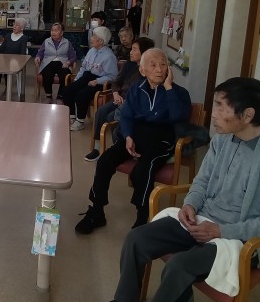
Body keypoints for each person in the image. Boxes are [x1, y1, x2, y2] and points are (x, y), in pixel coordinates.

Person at [87, 77, 260, 302]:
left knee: (179, 266)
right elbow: (202, 180)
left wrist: (221, 231)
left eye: (222, 107)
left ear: (248, 115)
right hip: (202, 221)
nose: (214, 114)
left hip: (239, 239)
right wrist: (190, 204)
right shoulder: (223, 138)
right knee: (137, 238)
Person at [76, 48, 191, 233]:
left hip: (162, 139)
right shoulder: (137, 88)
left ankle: (142, 217)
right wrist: (128, 136)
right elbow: (127, 116)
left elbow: (179, 118)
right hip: (136, 135)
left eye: (163, 64)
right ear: (142, 70)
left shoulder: (179, 93)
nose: (159, 69)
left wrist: (169, 88)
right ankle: (97, 210)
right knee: (105, 160)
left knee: (143, 170)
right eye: (153, 65)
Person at [84, 37, 155, 161]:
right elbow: (116, 82)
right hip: (119, 97)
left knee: (112, 116)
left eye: (134, 49)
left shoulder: (150, 71)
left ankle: (119, 148)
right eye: (131, 49)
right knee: (101, 112)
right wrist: (116, 94)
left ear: (144, 52)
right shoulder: (129, 64)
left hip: (133, 103)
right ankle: (97, 148)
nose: (131, 52)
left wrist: (126, 101)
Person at [63, 26, 118, 132]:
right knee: (68, 90)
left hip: (100, 82)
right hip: (87, 76)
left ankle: (80, 121)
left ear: (101, 41)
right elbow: (84, 67)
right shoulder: (91, 51)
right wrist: (77, 79)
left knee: (81, 95)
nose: (91, 38)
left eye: (94, 36)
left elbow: (113, 76)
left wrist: (97, 81)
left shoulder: (109, 56)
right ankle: (72, 116)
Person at [34, 22, 77, 102]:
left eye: (56, 30)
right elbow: (40, 53)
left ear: (62, 33)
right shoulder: (46, 41)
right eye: (52, 30)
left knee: (65, 75)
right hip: (48, 61)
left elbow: (73, 56)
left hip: (63, 62)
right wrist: (38, 57)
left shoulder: (67, 42)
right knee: (47, 73)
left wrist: (68, 62)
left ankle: (60, 95)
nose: (53, 32)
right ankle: (48, 95)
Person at [0, 17, 28, 93]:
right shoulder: (8, 36)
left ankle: (7, 87)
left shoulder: (23, 38)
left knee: (8, 67)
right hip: (5, 59)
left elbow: (22, 54)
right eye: (14, 24)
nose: (14, 26)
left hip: (15, 61)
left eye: (17, 25)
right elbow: (2, 48)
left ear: (22, 28)